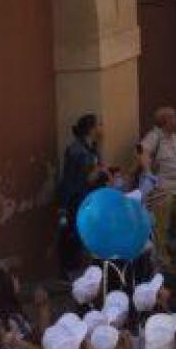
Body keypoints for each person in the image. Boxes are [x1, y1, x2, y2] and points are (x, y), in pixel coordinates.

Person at [141, 106, 176, 257]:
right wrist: (148, 171)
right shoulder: (154, 136)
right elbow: (141, 150)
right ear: (165, 121)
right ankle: (163, 262)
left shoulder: (174, 137)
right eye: (173, 117)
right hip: (163, 190)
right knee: (162, 229)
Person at [58, 115, 105, 272]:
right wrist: (100, 169)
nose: (101, 128)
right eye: (99, 125)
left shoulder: (89, 148)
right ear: (91, 129)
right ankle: (79, 273)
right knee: (81, 236)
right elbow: (88, 179)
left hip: (82, 198)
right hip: (77, 199)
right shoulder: (79, 151)